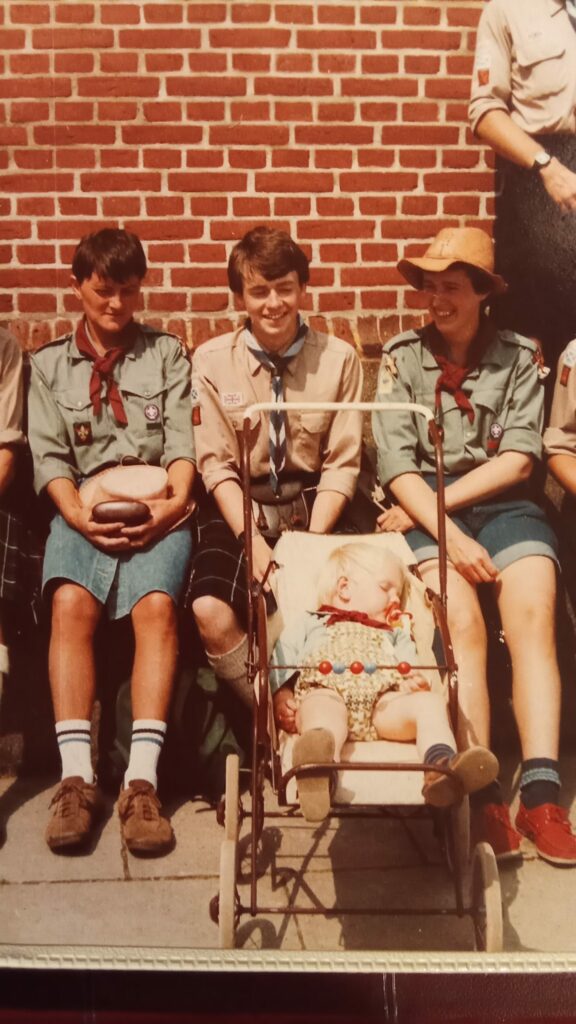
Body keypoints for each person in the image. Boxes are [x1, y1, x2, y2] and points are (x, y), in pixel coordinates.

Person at [372, 225, 576, 867]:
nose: (437, 301)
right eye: (430, 287)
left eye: (452, 287)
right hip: (425, 514)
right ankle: (482, 790)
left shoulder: (520, 356)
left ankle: (540, 795)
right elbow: (396, 466)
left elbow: (519, 460)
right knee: (459, 622)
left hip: (500, 505)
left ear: (484, 293)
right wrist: (449, 534)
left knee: (534, 610)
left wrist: (447, 511)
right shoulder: (402, 358)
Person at [27, 228, 195, 856]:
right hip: (84, 507)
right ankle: (77, 782)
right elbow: (49, 458)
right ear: (77, 286)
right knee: (71, 603)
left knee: (156, 608)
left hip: (157, 505)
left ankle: (141, 785)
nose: (117, 304)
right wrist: (77, 516)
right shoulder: (48, 366)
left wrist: (172, 506)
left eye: (128, 291)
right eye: (103, 291)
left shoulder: (166, 355)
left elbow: (182, 447)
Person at [188, 226, 364, 707]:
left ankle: (332, 707)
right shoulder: (211, 362)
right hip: (241, 504)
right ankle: (271, 710)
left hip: (314, 505)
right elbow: (216, 467)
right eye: (259, 291)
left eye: (284, 288)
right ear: (239, 297)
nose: (273, 303)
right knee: (209, 607)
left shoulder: (339, 360)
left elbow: (342, 464)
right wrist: (253, 542)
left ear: (303, 287)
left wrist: (308, 547)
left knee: (348, 597)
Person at [270, 541, 498, 822]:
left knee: (429, 704)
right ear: (344, 589)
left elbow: (410, 666)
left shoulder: (396, 633)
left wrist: (413, 682)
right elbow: (281, 658)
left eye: (398, 593)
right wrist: (281, 694)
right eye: (385, 588)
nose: (395, 599)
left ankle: (439, 767)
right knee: (321, 715)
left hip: (382, 703)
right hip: (327, 690)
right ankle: (317, 769)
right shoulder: (311, 622)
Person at [469, 0, 576, 365]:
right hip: (539, 179)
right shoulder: (508, 10)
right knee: (531, 335)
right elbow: (485, 113)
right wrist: (547, 166)